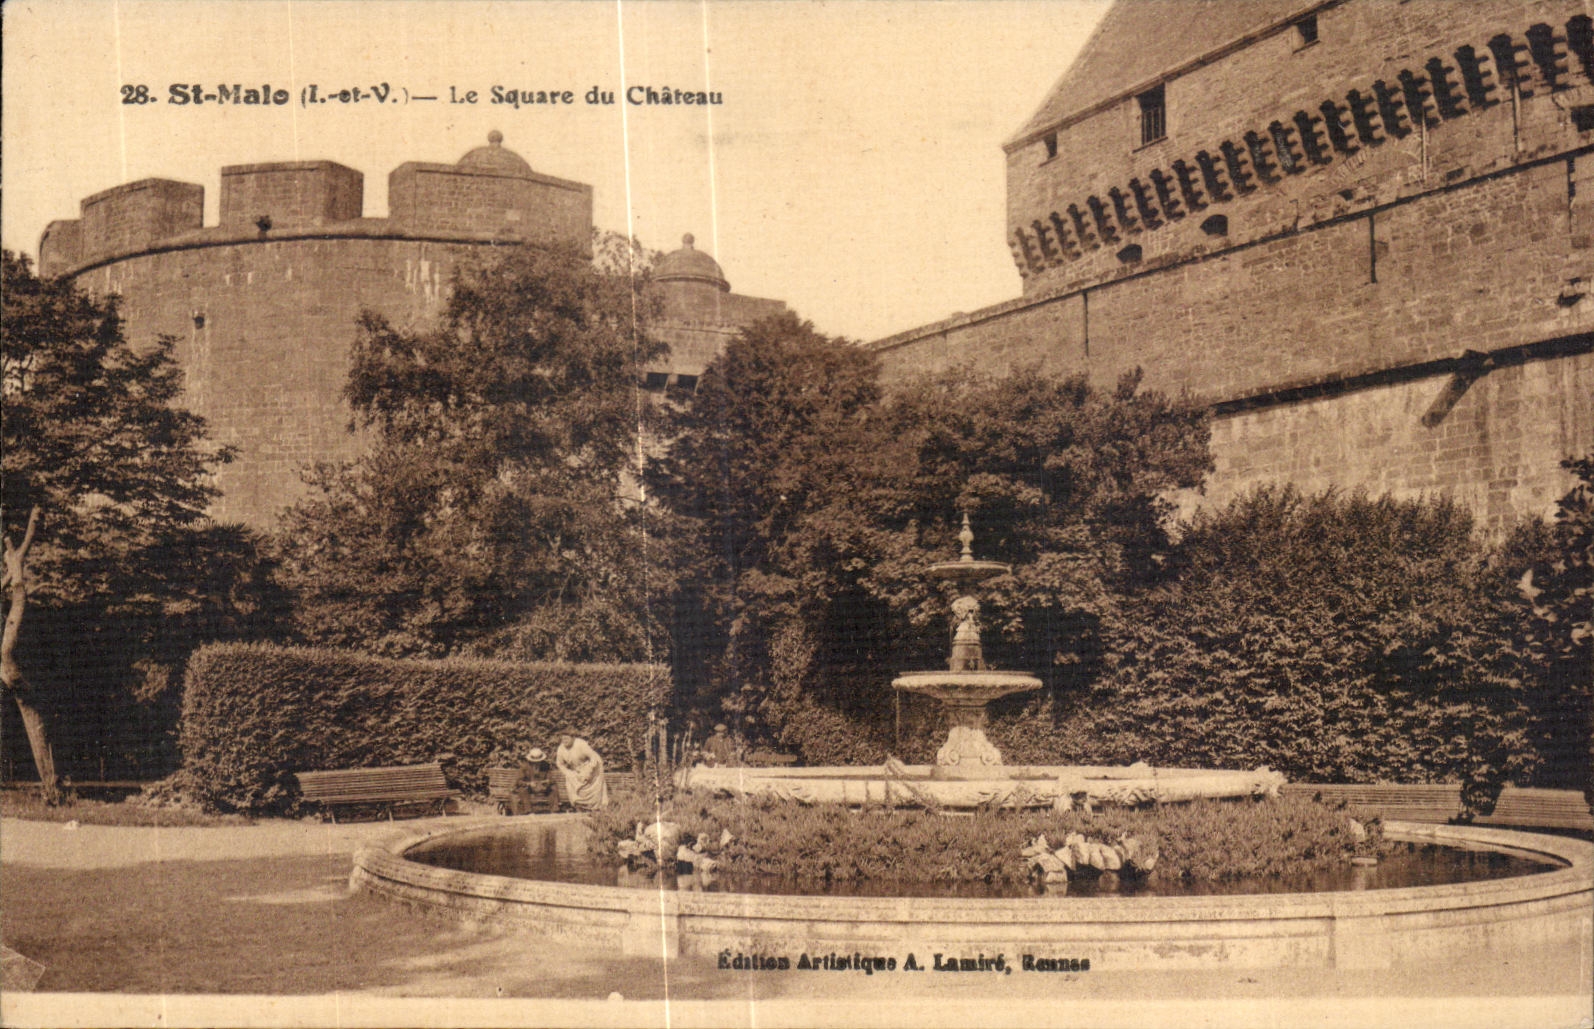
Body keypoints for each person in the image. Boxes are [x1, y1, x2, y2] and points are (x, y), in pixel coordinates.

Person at [555, 730, 609, 809]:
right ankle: (580, 806)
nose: (565, 741)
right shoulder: (561, 748)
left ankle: (596, 807)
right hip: (578, 768)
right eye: (563, 739)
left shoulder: (581, 744)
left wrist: (588, 771)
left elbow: (593, 757)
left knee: (594, 787)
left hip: (593, 765)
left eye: (567, 738)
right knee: (570, 780)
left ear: (573, 738)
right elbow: (560, 763)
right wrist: (567, 772)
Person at [516, 746, 557, 814]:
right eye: (534, 761)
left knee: (553, 787)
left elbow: (552, 779)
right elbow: (518, 782)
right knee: (522, 790)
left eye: (539, 761)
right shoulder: (525, 766)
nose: (537, 762)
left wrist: (547, 781)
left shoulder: (546, 765)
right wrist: (529, 784)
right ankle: (528, 811)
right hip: (530, 789)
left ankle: (554, 810)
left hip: (543, 788)